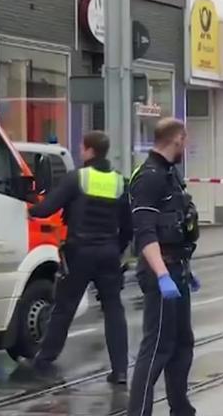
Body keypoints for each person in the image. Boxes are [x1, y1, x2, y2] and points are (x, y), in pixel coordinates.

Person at [24, 131, 133, 383]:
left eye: (82, 148)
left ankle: (45, 359)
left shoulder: (78, 179)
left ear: (89, 151)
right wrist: (117, 249)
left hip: (79, 252)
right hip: (108, 253)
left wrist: (29, 207)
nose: (80, 151)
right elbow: (128, 225)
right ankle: (120, 371)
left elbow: (47, 208)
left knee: (65, 307)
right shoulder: (120, 182)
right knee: (114, 309)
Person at [127, 119, 200, 416]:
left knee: (182, 343)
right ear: (177, 139)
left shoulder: (171, 175)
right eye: (186, 140)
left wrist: (185, 270)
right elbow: (145, 231)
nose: (187, 145)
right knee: (157, 347)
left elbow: (179, 224)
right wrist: (161, 275)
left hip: (176, 267)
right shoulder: (149, 177)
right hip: (161, 270)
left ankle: (180, 408)